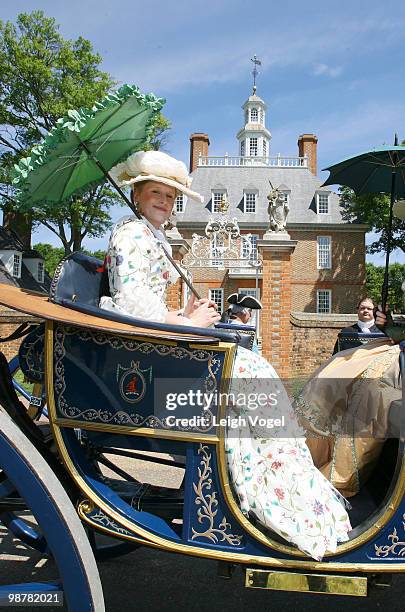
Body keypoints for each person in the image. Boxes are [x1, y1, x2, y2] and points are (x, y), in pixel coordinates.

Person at [99, 149, 352, 560]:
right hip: (149, 350)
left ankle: (284, 474)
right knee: (249, 366)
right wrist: (189, 322)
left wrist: (184, 314)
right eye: (155, 194)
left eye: (170, 196)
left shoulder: (151, 234)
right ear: (137, 194)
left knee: (253, 365)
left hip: (164, 337)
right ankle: (274, 482)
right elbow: (133, 307)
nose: (164, 202)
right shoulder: (131, 234)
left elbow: (152, 305)